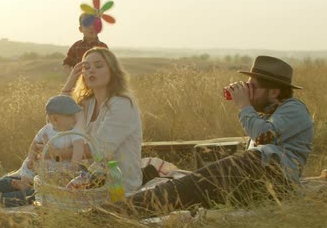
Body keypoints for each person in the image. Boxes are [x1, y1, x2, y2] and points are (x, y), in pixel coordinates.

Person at [112, 55, 314, 217]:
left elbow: (263, 137)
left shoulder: (294, 109)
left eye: (253, 87)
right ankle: (116, 212)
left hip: (273, 175)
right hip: (260, 177)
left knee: (186, 188)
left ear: (274, 91)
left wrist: (244, 105)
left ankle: (113, 213)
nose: (248, 91)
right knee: (185, 190)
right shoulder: (271, 113)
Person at [57, 47, 143, 192]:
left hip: (120, 187)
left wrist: (59, 153)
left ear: (113, 71)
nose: (91, 70)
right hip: (92, 180)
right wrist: (70, 81)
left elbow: (98, 150)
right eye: (86, 67)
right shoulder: (87, 103)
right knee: (27, 184)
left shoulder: (122, 104)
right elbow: (56, 121)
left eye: (98, 66)